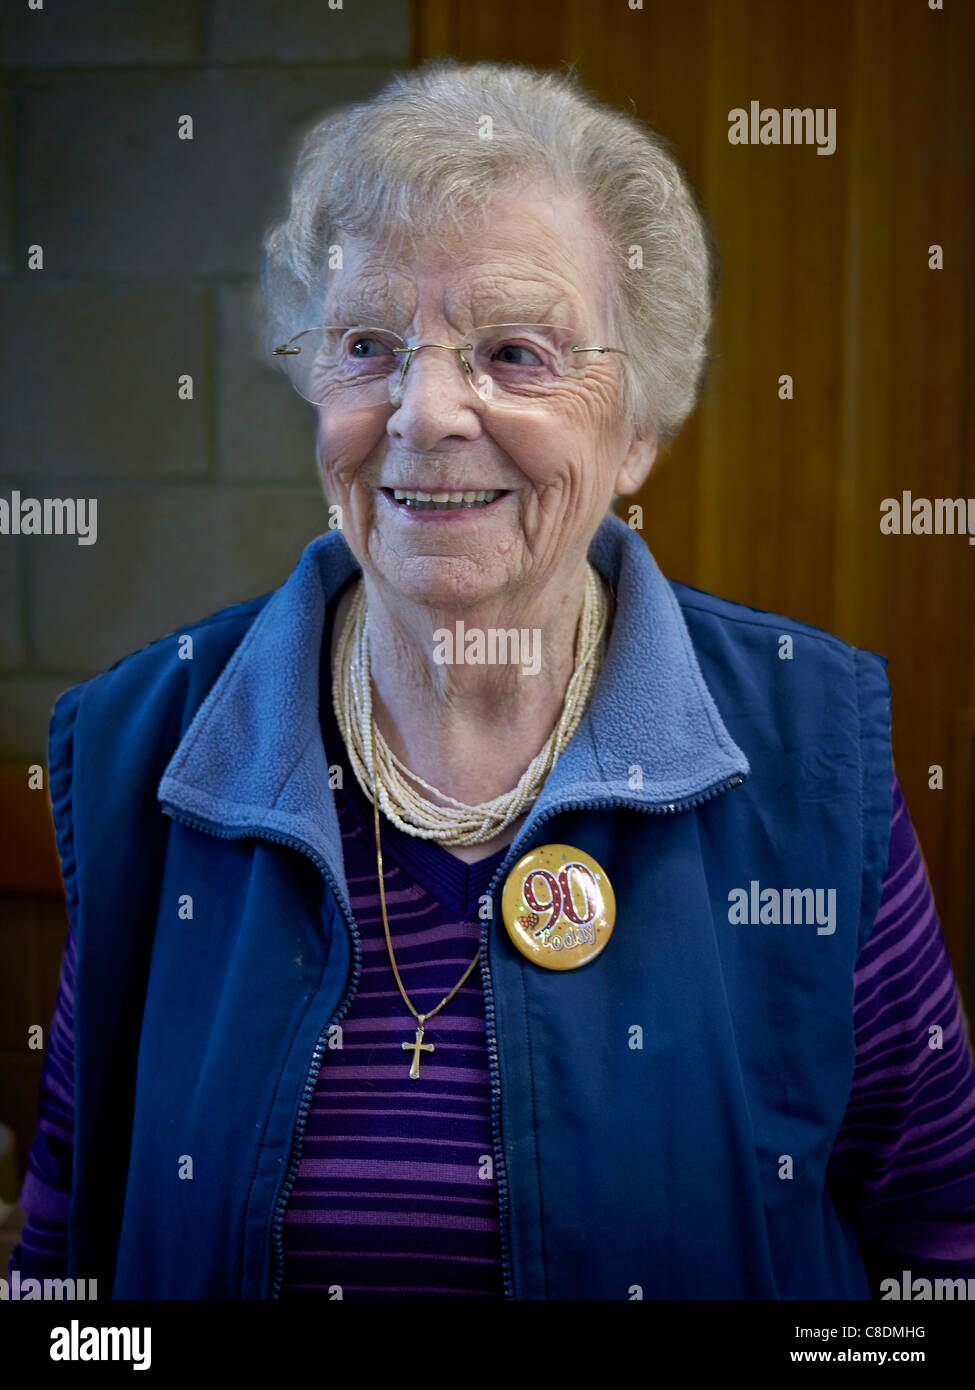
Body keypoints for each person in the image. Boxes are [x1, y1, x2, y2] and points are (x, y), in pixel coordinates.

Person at [11, 58, 975, 1300]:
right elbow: (67, 1252)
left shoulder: (808, 752)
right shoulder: (151, 746)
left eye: (515, 352)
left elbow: (941, 1240)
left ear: (640, 428)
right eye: (367, 344)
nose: (423, 411)